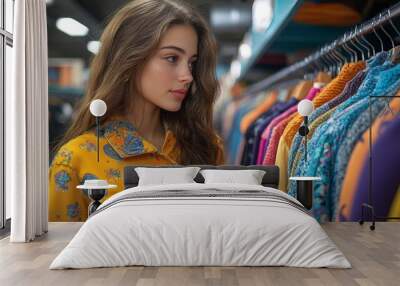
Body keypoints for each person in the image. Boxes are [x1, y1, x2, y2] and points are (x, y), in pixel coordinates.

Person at [49, 0, 225, 222]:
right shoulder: (75, 160)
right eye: (172, 58)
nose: (187, 76)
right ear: (130, 59)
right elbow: (57, 251)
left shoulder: (207, 146)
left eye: (191, 63)